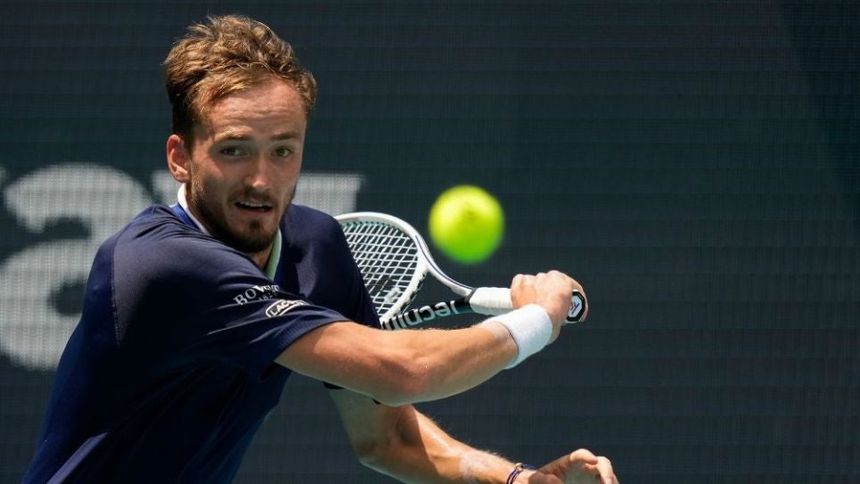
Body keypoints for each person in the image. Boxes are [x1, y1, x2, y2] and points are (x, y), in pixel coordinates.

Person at [22, 14, 618, 484]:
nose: (262, 180)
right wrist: (537, 320)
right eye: (234, 150)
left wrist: (513, 478)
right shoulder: (161, 265)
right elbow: (403, 371)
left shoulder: (316, 247)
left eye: (283, 151)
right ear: (180, 157)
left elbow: (387, 438)